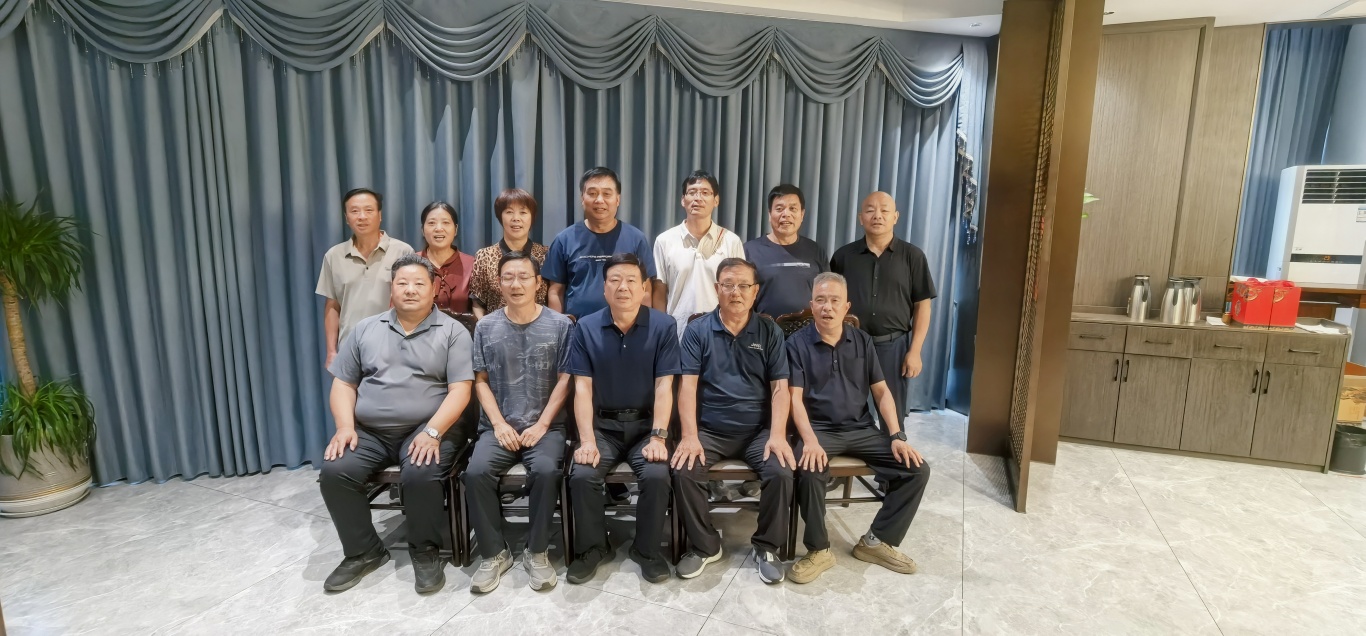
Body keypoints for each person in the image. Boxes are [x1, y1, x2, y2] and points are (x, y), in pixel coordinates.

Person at [318, 254, 474, 595]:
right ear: (392, 289)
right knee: (335, 471)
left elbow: (461, 389)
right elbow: (343, 383)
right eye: (402, 283)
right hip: (370, 432)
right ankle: (363, 551)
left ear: (433, 289)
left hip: (428, 428)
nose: (410, 290)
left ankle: (425, 551)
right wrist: (345, 427)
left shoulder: (453, 331)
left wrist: (433, 432)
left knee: (420, 470)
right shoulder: (365, 329)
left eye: (419, 283)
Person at [785, 273, 930, 584]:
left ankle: (875, 542)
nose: (827, 307)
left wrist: (896, 435)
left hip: (861, 428)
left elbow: (881, 392)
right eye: (820, 300)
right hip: (819, 430)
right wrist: (809, 441)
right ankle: (819, 549)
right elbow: (793, 398)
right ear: (812, 305)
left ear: (846, 306)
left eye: (834, 300)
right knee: (809, 469)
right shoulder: (796, 344)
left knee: (916, 469)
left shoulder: (862, 340)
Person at [672, 258, 794, 584]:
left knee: (781, 470)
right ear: (717, 289)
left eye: (743, 286)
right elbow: (687, 387)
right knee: (684, 469)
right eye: (728, 285)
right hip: (710, 430)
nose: (735, 292)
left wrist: (777, 435)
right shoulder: (698, 330)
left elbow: (780, 389)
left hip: (757, 431)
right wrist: (689, 435)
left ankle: (766, 547)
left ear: (755, 291)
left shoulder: (769, 331)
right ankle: (705, 546)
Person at [564, 253, 680, 585]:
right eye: (614, 280)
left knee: (657, 475)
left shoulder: (663, 326)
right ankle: (593, 548)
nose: (623, 287)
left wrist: (658, 436)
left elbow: (665, 385)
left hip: (646, 427)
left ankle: (647, 550)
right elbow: (582, 388)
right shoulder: (586, 327)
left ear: (644, 288)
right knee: (582, 474)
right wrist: (587, 440)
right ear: (604, 289)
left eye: (631, 280)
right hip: (603, 428)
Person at [462, 251, 574, 594]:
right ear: (498, 283)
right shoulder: (485, 326)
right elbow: (480, 380)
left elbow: (566, 379)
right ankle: (495, 553)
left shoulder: (561, 325)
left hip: (546, 427)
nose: (516, 284)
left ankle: (536, 551)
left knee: (546, 471)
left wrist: (542, 424)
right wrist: (498, 424)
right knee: (476, 473)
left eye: (524, 277)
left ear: (538, 283)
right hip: (499, 426)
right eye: (508, 277)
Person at [830, 191, 936, 427]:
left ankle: (894, 447)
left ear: (895, 217)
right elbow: (831, 301)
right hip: (850, 345)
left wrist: (915, 351)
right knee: (846, 411)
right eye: (870, 210)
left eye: (884, 210)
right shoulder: (843, 256)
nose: (877, 215)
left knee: (893, 417)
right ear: (861, 218)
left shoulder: (913, 256)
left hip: (893, 345)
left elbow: (923, 305)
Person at [316, 188, 414, 367]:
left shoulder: (403, 251)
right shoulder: (334, 256)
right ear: (346, 218)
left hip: (395, 349)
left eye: (369, 210)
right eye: (354, 211)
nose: (362, 216)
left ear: (380, 215)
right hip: (350, 350)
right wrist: (331, 352)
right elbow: (332, 306)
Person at [544, 167, 656, 318]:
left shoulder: (636, 239)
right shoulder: (564, 239)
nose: (599, 200)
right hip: (577, 327)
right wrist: (559, 326)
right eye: (592, 193)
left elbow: (646, 290)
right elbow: (556, 291)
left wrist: (641, 326)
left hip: (626, 328)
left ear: (617, 199)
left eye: (607, 194)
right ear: (582, 198)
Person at [652, 170, 745, 337]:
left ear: (716, 200)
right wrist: (662, 332)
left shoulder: (731, 241)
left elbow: (739, 291)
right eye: (692, 192)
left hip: (721, 333)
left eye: (705, 193)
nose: (698, 198)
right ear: (683, 200)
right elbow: (659, 290)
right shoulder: (664, 240)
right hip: (677, 332)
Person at [744, 184, 829, 318]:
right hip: (764, 328)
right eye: (779, 209)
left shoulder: (815, 250)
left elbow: (827, 293)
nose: (786, 214)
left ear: (802, 214)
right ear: (769, 214)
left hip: (809, 329)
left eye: (793, 209)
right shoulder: (750, 250)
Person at [469, 188, 550, 318]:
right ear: (500, 216)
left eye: (523, 212)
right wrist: (485, 327)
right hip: (496, 328)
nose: (516, 218)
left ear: (532, 217)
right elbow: (477, 302)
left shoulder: (546, 255)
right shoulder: (484, 256)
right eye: (509, 212)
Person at [416, 201, 476, 315]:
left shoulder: (472, 265)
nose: (439, 228)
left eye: (445, 223)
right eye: (432, 223)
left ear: (456, 229)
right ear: (422, 230)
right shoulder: (411, 264)